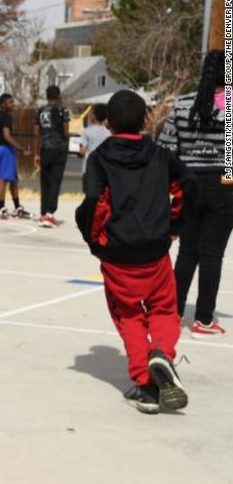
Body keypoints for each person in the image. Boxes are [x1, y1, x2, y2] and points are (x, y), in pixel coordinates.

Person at [76, 89, 191, 414]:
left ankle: (145, 385)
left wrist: (96, 242)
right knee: (164, 310)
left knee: (128, 315)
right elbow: (187, 186)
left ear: (108, 123)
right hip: (154, 251)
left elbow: (95, 204)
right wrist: (174, 227)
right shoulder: (160, 155)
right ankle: (161, 352)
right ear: (145, 120)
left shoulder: (99, 159)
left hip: (117, 254)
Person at [157, 50, 231, 337]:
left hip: (187, 184)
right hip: (223, 186)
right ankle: (203, 319)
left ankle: (173, 312)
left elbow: (166, 148)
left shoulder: (183, 103)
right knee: (212, 254)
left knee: (187, 251)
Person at [0, 93, 32, 219]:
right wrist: (21, 149)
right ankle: (1, 207)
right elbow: (6, 136)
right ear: (3, 104)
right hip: (4, 149)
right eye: (10, 102)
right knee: (3, 178)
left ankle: (17, 206)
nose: (13, 104)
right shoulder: (6, 117)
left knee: (13, 179)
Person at [35, 85, 70, 228]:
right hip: (58, 148)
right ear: (59, 96)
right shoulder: (62, 110)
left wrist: (36, 152)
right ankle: (50, 213)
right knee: (55, 180)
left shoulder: (40, 110)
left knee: (45, 181)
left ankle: (43, 212)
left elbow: (37, 132)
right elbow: (66, 131)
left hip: (44, 148)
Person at [78, 103, 110, 175]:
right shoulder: (109, 133)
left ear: (94, 116)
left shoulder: (86, 132)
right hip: (104, 167)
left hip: (88, 167)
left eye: (91, 113)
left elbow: (82, 151)